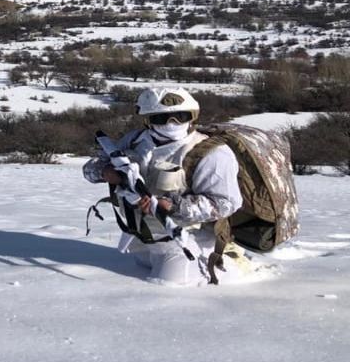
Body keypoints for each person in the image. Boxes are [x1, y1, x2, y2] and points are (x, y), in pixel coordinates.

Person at [83, 87, 248, 285]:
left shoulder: (212, 153)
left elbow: (225, 203)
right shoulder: (134, 140)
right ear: (148, 119)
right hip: (142, 236)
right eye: (162, 118)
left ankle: (232, 260)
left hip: (188, 237)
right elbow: (89, 170)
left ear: (192, 116)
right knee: (142, 264)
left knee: (169, 283)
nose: (172, 123)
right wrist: (106, 172)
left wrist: (172, 205)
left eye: (180, 116)